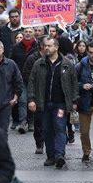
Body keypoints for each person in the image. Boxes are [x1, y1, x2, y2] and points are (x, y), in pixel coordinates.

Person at [27, 37, 79, 169]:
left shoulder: (67, 64)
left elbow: (74, 84)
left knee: (59, 127)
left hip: (60, 104)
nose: (46, 48)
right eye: (45, 46)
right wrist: (31, 100)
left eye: (49, 46)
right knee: (47, 130)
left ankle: (59, 155)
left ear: (56, 47)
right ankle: (50, 156)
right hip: (43, 103)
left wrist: (74, 101)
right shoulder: (39, 64)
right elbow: (32, 82)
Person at [22, 36, 48, 154]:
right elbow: (27, 76)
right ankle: (39, 143)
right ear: (42, 46)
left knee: (55, 122)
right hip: (38, 95)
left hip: (53, 95)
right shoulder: (32, 59)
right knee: (39, 122)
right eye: (46, 44)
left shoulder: (58, 58)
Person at [10, 27, 37, 133]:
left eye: (30, 31)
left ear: (34, 34)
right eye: (26, 31)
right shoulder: (16, 47)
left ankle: (31, 122)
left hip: (34, 78)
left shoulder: (38, 46)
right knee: (22, 100)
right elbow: (11, 61)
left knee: (32, 100)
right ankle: (23, 122)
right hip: (20, 78)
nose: (28, 33)